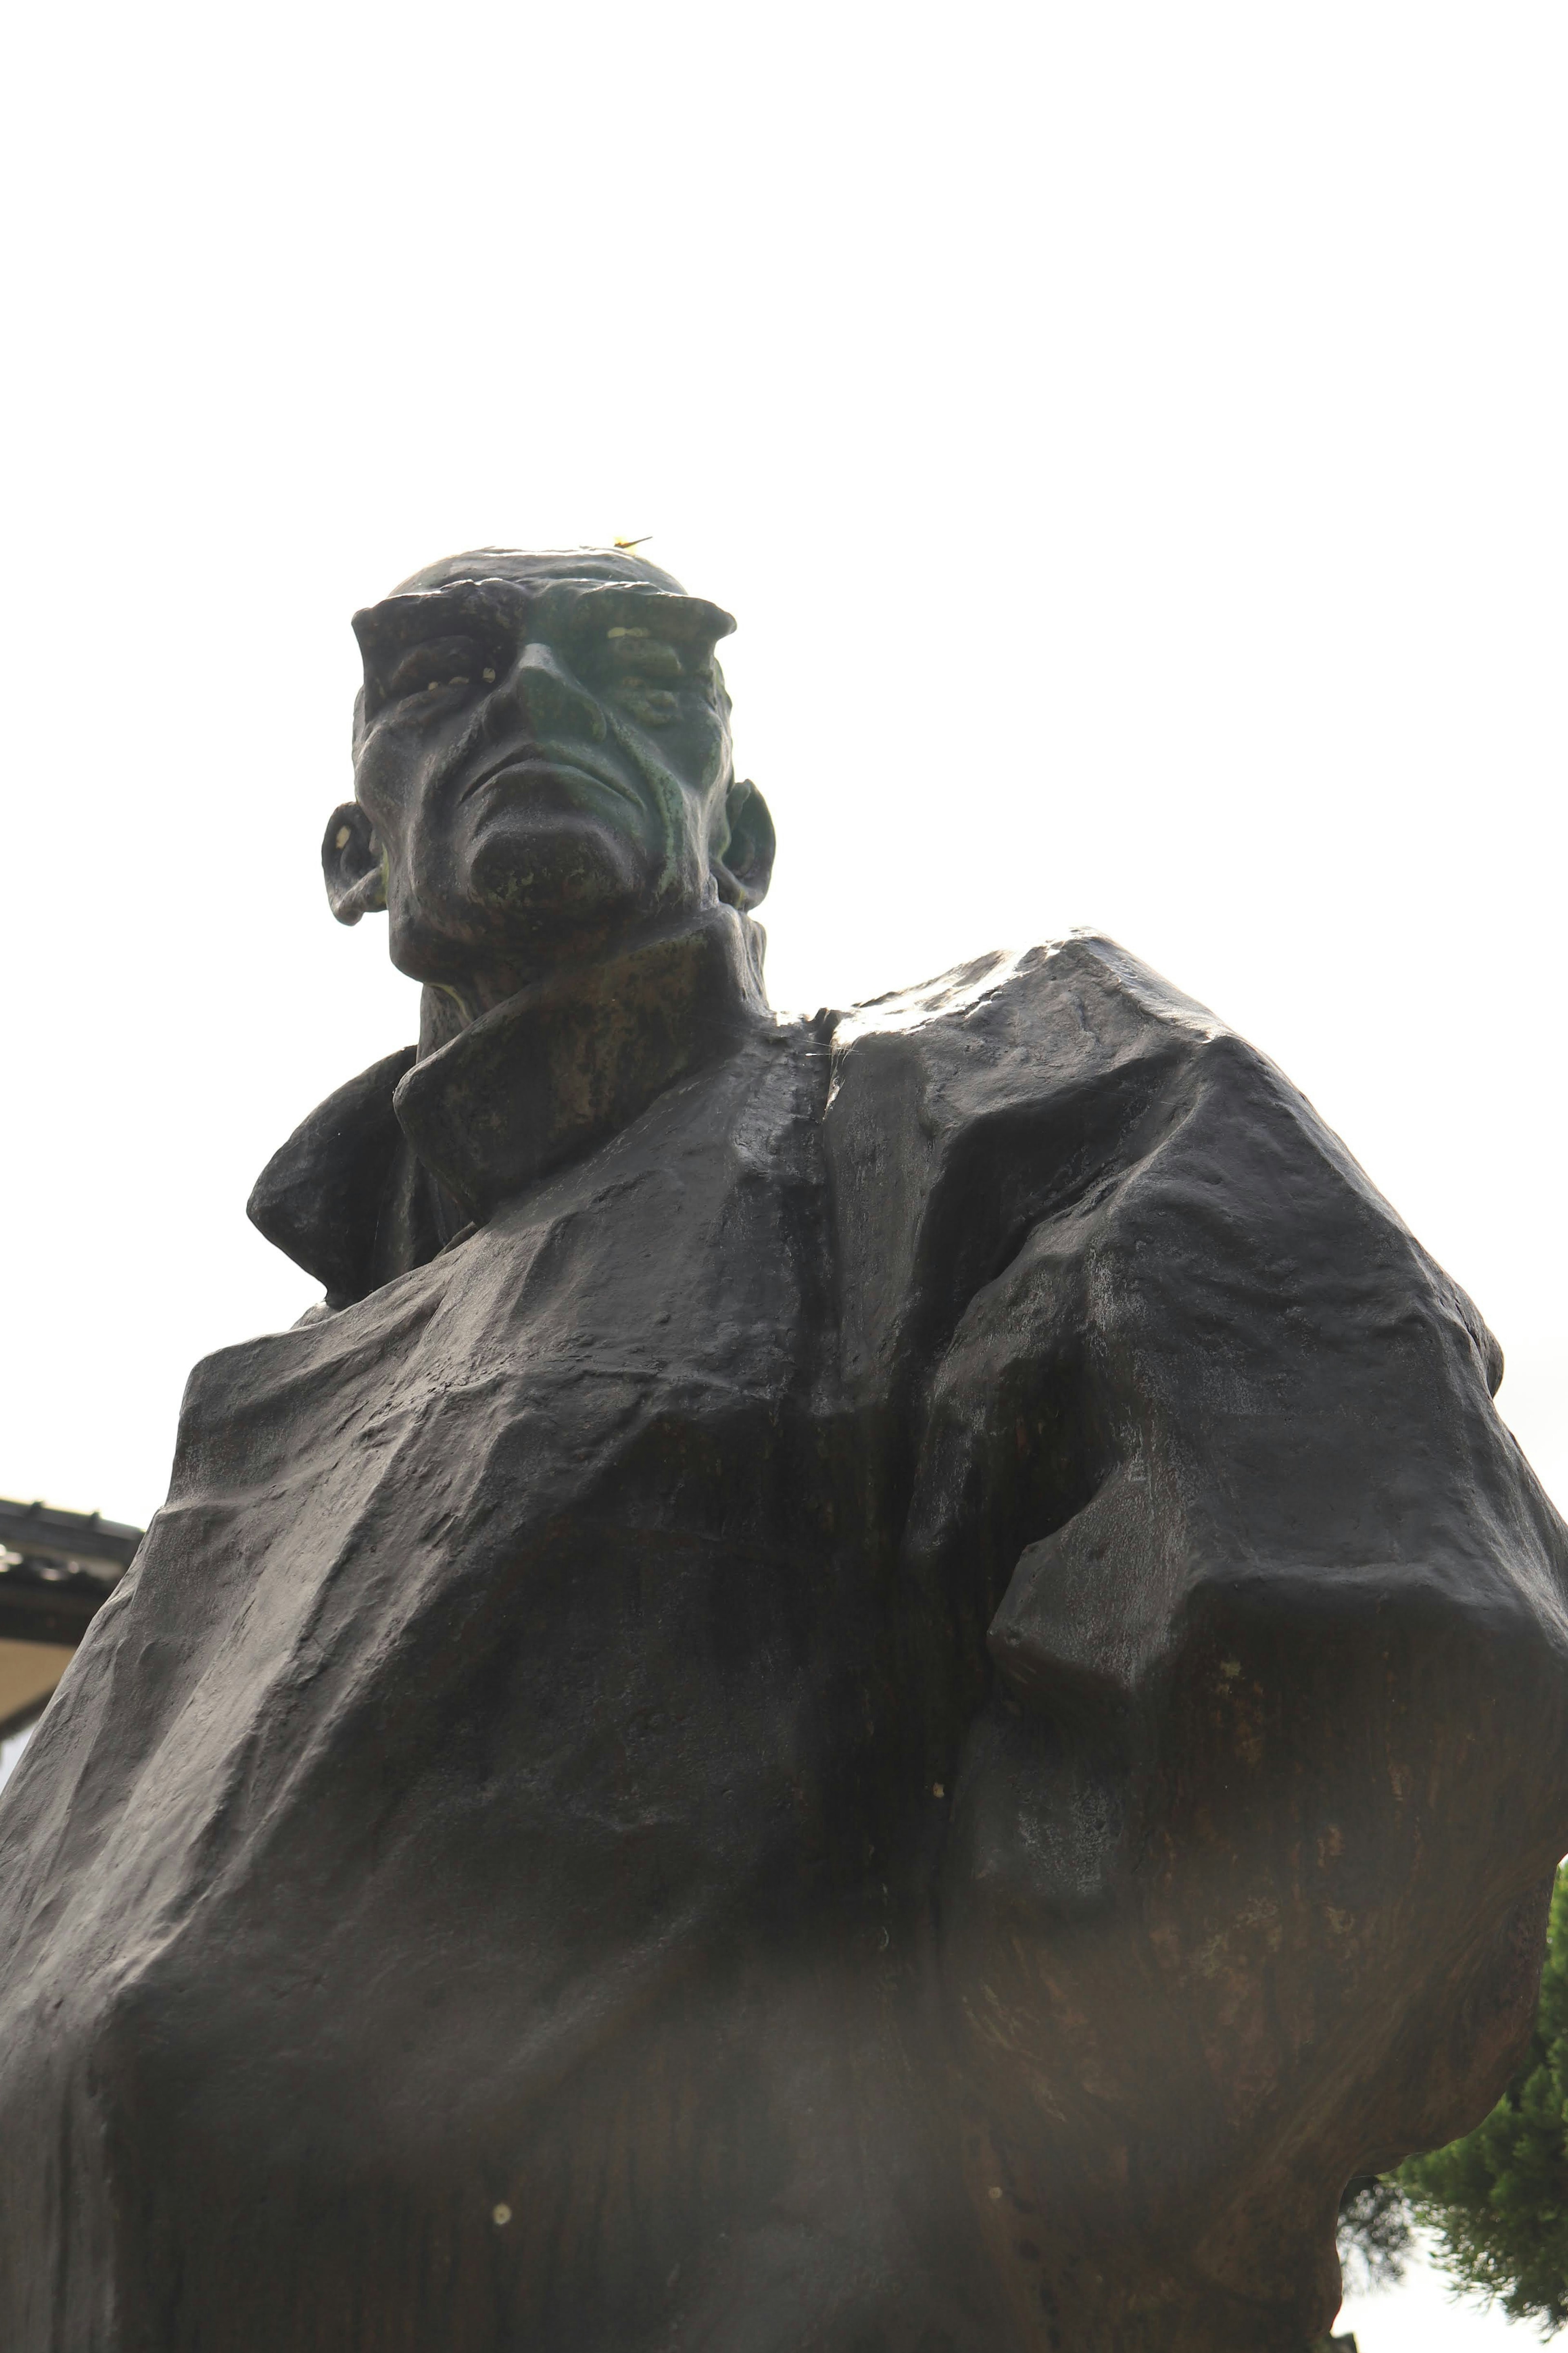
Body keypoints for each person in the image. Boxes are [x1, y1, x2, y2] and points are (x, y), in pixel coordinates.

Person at [0, 546, 1563, 2353]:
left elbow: (1382, 1646)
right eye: (441, 675)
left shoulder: (993, 1097)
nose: (535, 698)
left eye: (640, 671)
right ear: (353, 856)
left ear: (741, 838)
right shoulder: (228, 1454)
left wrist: (974, 2245)